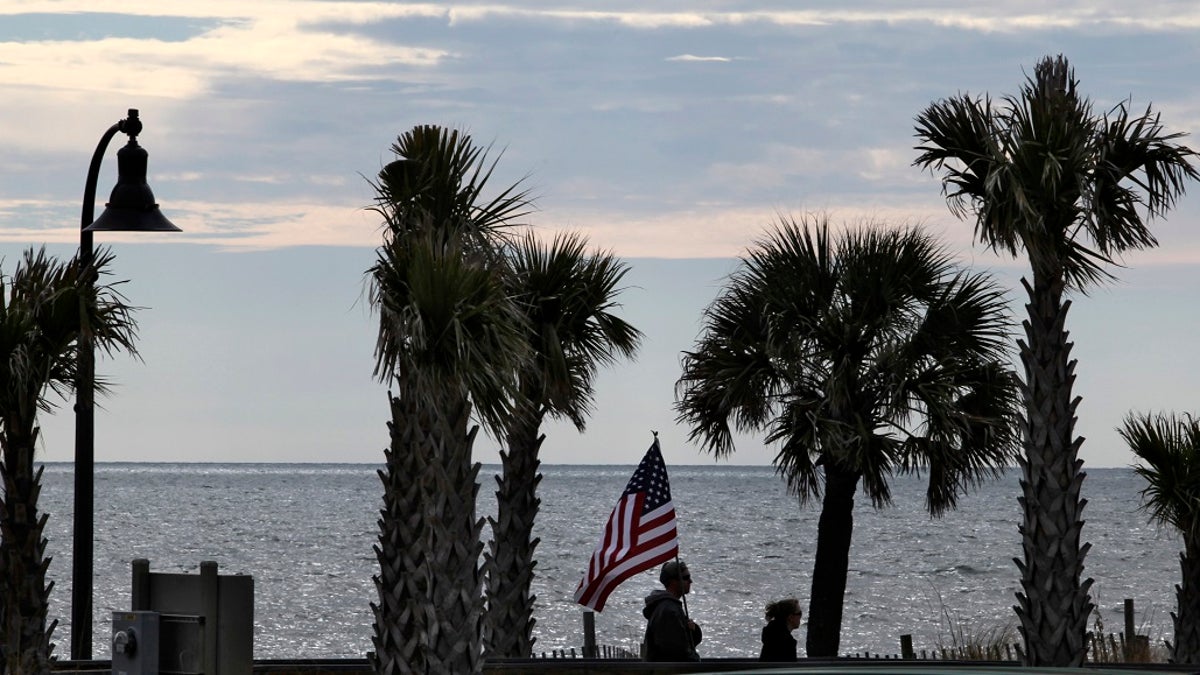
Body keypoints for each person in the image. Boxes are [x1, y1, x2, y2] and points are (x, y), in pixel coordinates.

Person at [642, 560, 702, 661]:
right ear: (673, 581)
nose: (690, 581)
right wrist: (696, 661)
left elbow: (682, 643)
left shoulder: (671, 606)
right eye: (686, 577)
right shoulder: (668, 610)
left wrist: (692, 630)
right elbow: (677, 653)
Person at [760, 597, 802, 661]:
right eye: (799, 613)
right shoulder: (787, 643)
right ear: (790, 617)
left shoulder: (771, 635)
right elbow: (789, 667)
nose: (800, 617)